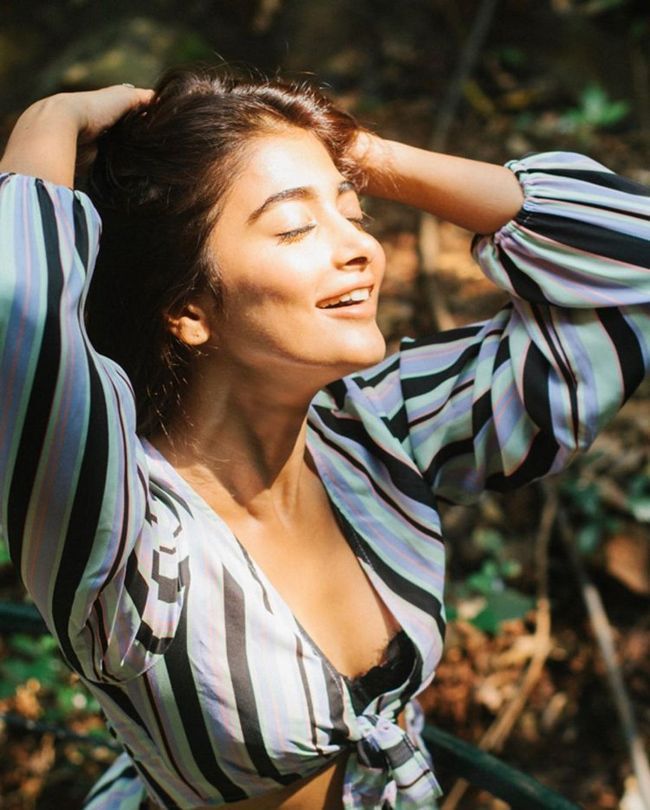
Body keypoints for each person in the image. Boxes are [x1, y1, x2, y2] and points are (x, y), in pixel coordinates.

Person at [0, 66, 648, 810]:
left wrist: (355, 151)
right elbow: (21, 328)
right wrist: (49, 120)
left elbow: (634, 267)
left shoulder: (372, 429)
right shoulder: (121, 536)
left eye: (354, 213)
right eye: (295, 227)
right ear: (189, 310)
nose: (362, 248)